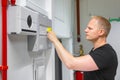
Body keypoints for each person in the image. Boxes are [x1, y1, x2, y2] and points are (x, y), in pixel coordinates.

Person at [47, 16, 118, 80]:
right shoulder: (96, 50)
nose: (85, 30)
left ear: (101, 32)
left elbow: (70, 63)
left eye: (90, 28)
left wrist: (55, 40)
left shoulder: (105, 53)